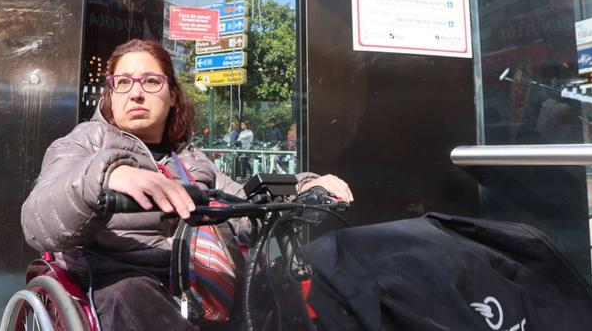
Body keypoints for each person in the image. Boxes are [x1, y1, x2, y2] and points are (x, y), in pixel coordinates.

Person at [21, 39, 353, 330]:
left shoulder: (191, 160)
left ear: (172, 96)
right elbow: (38, 220)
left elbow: (242, 200)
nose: (136, 92)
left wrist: (307, 186)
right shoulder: (83, 143)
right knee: (131, 294)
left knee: (292, 282)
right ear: (110, 95)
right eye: (123, 82)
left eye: (151, 81)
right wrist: (105, 176)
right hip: (121, 277)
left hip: (202, 283)